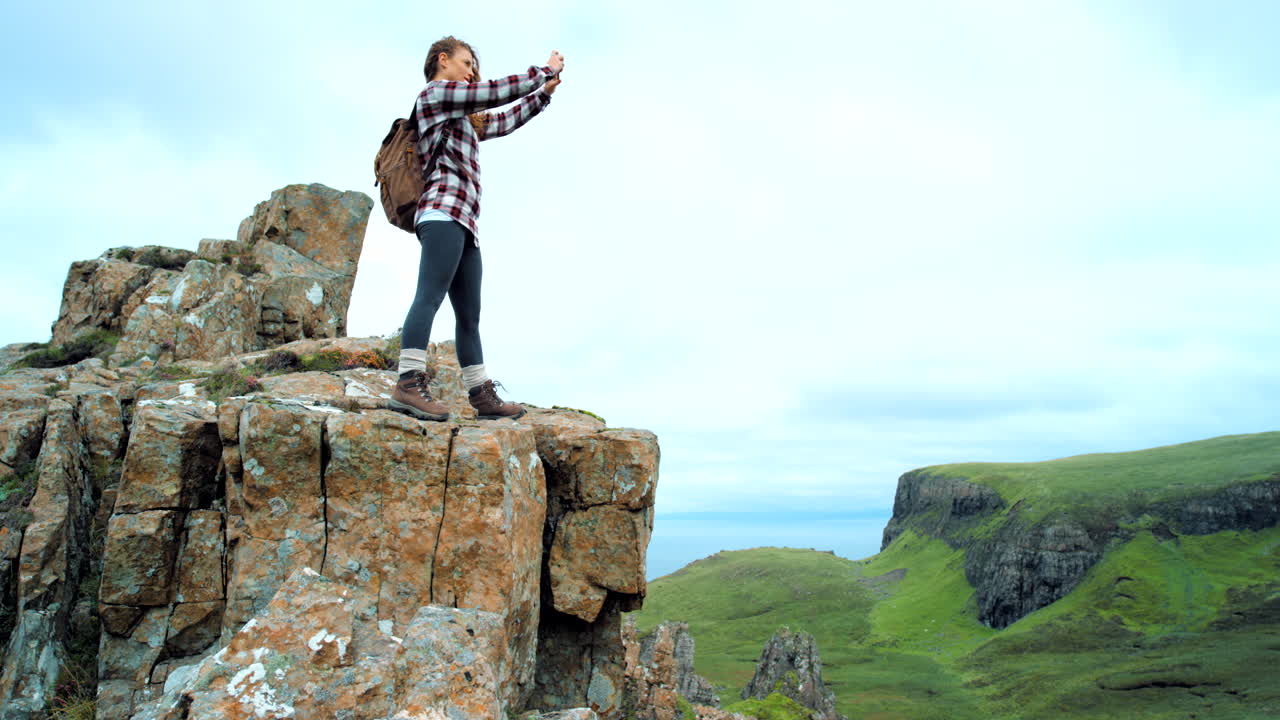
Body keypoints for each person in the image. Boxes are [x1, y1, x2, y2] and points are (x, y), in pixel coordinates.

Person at [389, 37, 564, 422]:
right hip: (441, 212)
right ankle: (408, 383)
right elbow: (494, 92)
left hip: (466, 223)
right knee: (429, 297)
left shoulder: (464, 117)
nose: (472, 71)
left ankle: (481, 395)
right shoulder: (435, 95)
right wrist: (544, 71)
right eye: (466, 63)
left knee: (469, 317)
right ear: (443, 59)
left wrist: (543, 95)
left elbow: (503, 120)